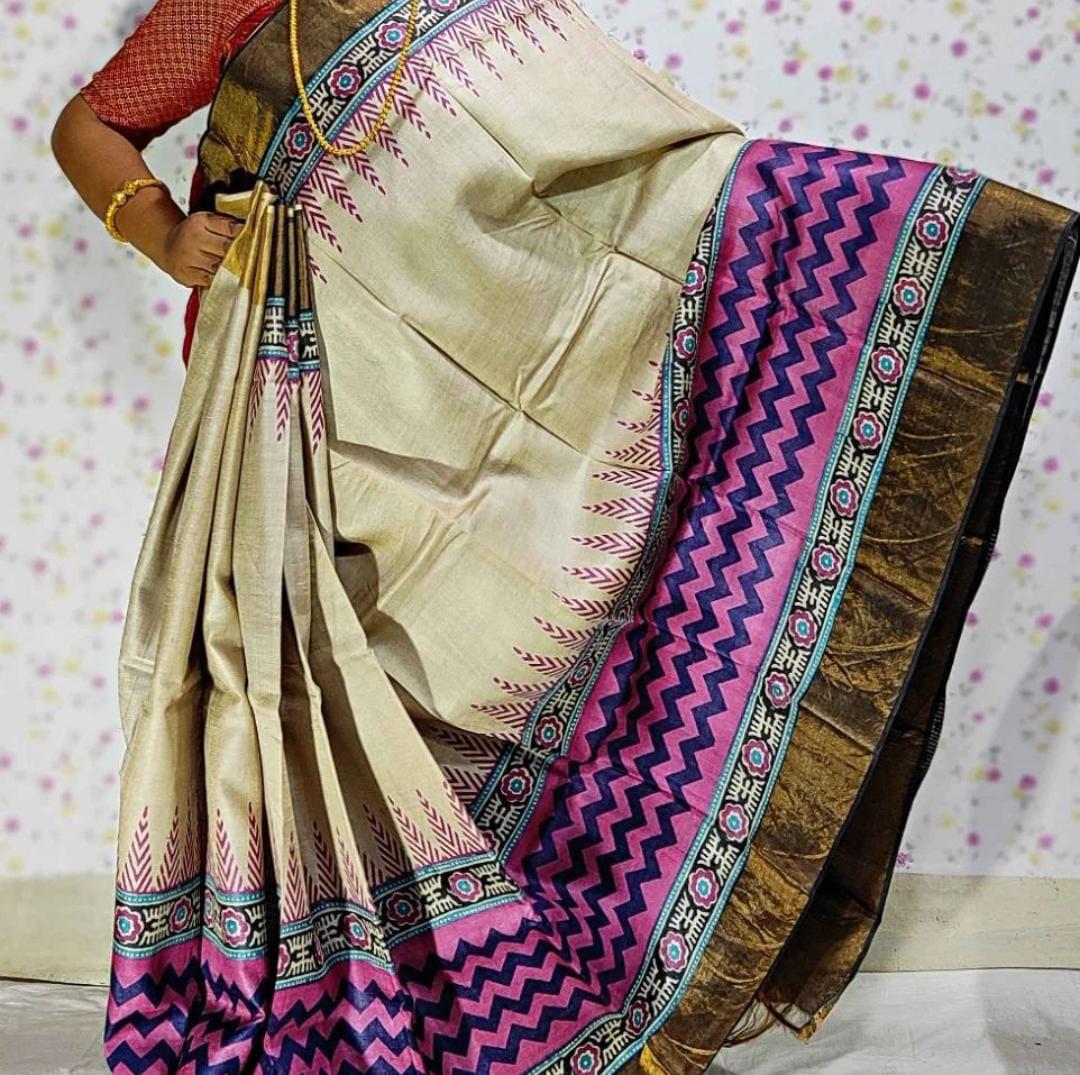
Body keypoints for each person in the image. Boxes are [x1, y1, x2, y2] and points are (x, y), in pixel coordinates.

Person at [52, 1, 1078, 1072]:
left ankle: (512, 961)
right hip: (305, 407)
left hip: (488, 413)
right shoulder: (235, 6)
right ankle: (351, 973)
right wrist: (160, 227)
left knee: (500, 651)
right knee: (332, 687)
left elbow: (638, 175)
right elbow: (89, 126)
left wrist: (837, 215)